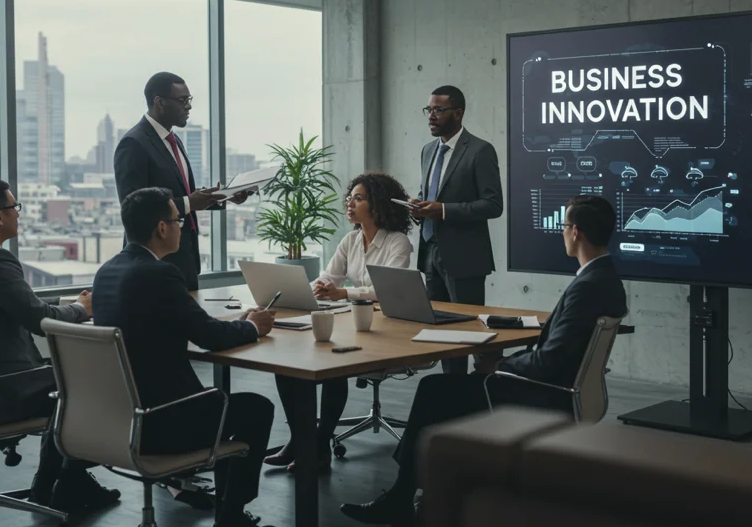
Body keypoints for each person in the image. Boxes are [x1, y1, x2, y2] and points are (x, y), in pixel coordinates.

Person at [340, 195, 628, 525]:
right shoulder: (604, 278)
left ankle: (404, 498)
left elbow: (550, 361)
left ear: (575, 232)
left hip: (543, 394)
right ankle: (419, 495)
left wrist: (500, 366)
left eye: (563, 226)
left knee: (435, 391)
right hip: (561, 389)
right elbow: (559, 352)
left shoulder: (586, 286)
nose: (562, 233)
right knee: (441, 391)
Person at [91, 187, 276, 527]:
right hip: (164, 423)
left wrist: (237, 324)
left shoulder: (107, 272)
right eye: (179, 220)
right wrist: (252, 327)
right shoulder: (159, 274)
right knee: (257, 408)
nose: (183, 227)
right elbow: (210, 337)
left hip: (118, 419)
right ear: (162, 228)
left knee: (229, 403)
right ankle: (231, 515)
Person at [0, 179, 120, 514]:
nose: (19, 214)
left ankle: (67, 480)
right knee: (92, 384)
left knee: (70, 381)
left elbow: (17, 303)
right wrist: (82, 310)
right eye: (14, 207)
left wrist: (65, 304)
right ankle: (52, 484)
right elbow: (39, 321)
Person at [264, 172, 414, 472]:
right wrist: (315, 287)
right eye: (350, 198)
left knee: (332, 369)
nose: (350, 203)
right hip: (350, 320)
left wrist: (343, 291)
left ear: (378, 205)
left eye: (358, 198)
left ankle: (318, 446)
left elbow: (388, 292)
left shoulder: (398, 243)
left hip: (386, 327)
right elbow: (329, 277)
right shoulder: (350, 240)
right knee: (286, 366)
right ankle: (300, 439)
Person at [114, 72, 251, 291]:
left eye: (189, 100)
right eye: (182, 100)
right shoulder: (133, 144)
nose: (188, 106)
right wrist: (189, 202)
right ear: (159, 102)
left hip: (185, 260)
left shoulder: (173, 139)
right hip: (154, 266)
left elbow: (183, 193)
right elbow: (134, 208)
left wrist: (225, 197)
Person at [410, 85, 503, 373]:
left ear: (458, 112)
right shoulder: (428, 151)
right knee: (444, 339)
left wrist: (444, 210)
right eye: (429, 110)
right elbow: (433, 192)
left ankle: (473, 401)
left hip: (464, 259)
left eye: (438, 110)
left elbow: (493, 205)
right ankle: (453, 399)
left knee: (468, 337)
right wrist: (419, 209)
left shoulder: (480, 150)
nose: (431, 116)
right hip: (430, 255)